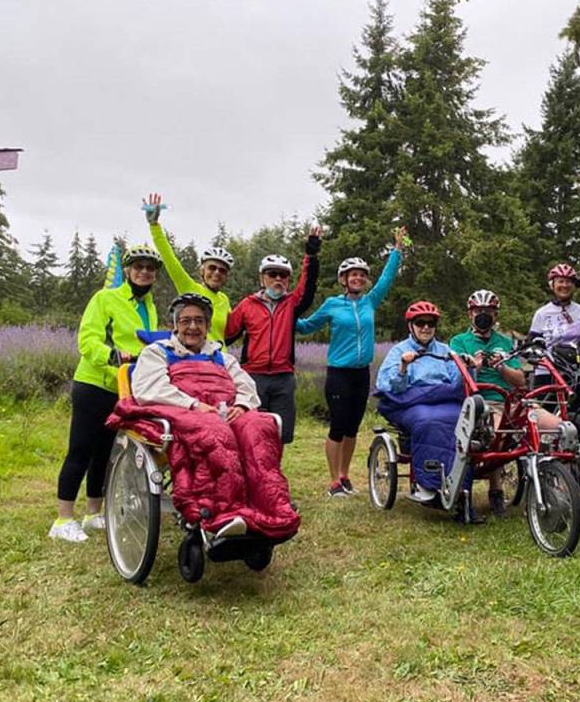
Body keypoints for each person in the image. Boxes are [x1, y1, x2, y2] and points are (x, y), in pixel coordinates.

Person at [116, 293, 300, 540]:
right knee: (214, 432)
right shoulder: (157, 352)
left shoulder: (221, 356)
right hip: (184, 411)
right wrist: (193, 404)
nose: (193, 326)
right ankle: (221, 512)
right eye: (186, 320)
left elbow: (245, 385)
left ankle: (271, 508)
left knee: (258, 426)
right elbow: (151, 389)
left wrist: (244, 406)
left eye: (199, 321)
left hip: (223, 410)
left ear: (207, 326)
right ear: (175, 324)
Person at [49, 244, 161, 542]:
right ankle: (62, 520)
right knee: (81, 450)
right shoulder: (105, 298)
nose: (144, 272)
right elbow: (87, 341)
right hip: (94, 384)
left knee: (105, 453)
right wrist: (113, 355)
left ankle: (93, 513)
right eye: (139, 266)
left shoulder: (149, 306)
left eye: (150, 268)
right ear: (128, 270)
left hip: (124, 388)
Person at [296, 226, 408, 498]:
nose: (357, 278)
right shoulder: (333, 304)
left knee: (352, 428)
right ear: (343, 280)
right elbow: (307, 326)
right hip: (338, 374)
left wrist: (397, 251)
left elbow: (387, 278)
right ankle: (334, 481)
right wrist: (283, 317)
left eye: (361, 275)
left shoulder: (370, 301)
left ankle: (345, 476)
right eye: (352, 275)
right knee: (337, 426)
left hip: (361, 374)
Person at [449, 289, 562, 517]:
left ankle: (558, 486)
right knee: (498, 433)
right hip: (483, 401)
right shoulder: (459, 341)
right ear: (470, 314)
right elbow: (455, 378)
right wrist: (476, 365)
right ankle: (496, 491)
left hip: (513, 401)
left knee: (559, 428)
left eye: (488, 311)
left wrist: (501, 366)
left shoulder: (505, 342)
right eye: (479, 311)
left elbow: (520, 380)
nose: (483, 315)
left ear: (495, 314)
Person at [223, 227, 322, 444]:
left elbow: (309, 286)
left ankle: (272, 474)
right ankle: (253, 475)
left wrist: (311, 254)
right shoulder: (247, 305)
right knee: (252, 432)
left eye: (283, 275)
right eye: (272, 274)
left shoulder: (291, 303)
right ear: (262, 278)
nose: (278, 279)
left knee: (280, 434)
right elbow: (226, 335)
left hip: (283, 378)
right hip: (252, 377)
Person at [375, 301, 465, 505]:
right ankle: (428, 484)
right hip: (411, 401)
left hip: (443, 398)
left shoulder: (445, 351)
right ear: (411, 326)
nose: (426, 327)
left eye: (430, 323)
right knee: (427, 421)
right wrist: (403, 367)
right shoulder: (399, 351)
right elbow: (389, 387)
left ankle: (459, 484)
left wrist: (470, 368)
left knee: (463, 421)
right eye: (420, 322)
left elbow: (456, 383)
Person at [144, 192, 234, 343]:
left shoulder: (224, 300)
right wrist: (154, 226)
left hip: (220, 361)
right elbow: (170, 259)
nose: (217, 273)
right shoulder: (190, 287)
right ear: (202, 270)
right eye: (212, 268)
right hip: (196, 358)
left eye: (222, 270)